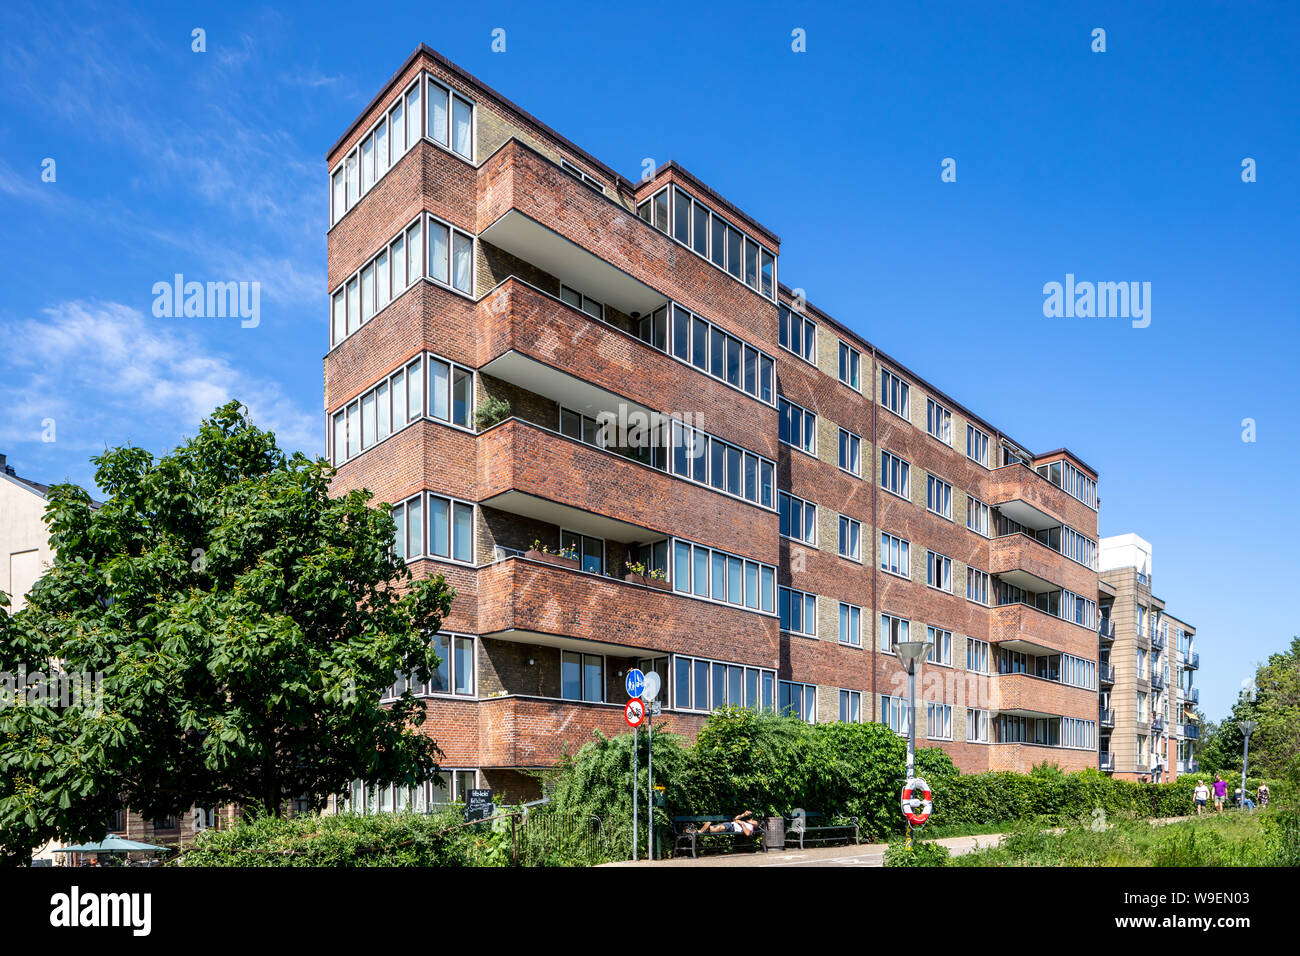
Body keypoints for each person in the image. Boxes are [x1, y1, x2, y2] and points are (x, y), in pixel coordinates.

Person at [690, 811, 759, 837]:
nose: (751, 819)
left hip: (732, 828)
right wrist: (744, 814)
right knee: (712, 828)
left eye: (753, 821)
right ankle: (695, 831)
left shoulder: (750, 827)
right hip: (729, 824)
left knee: (720, 828)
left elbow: (747, 834)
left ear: (754, 825)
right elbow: (735, 819)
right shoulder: (745, 822)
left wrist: (742, 824)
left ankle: (705, 830)